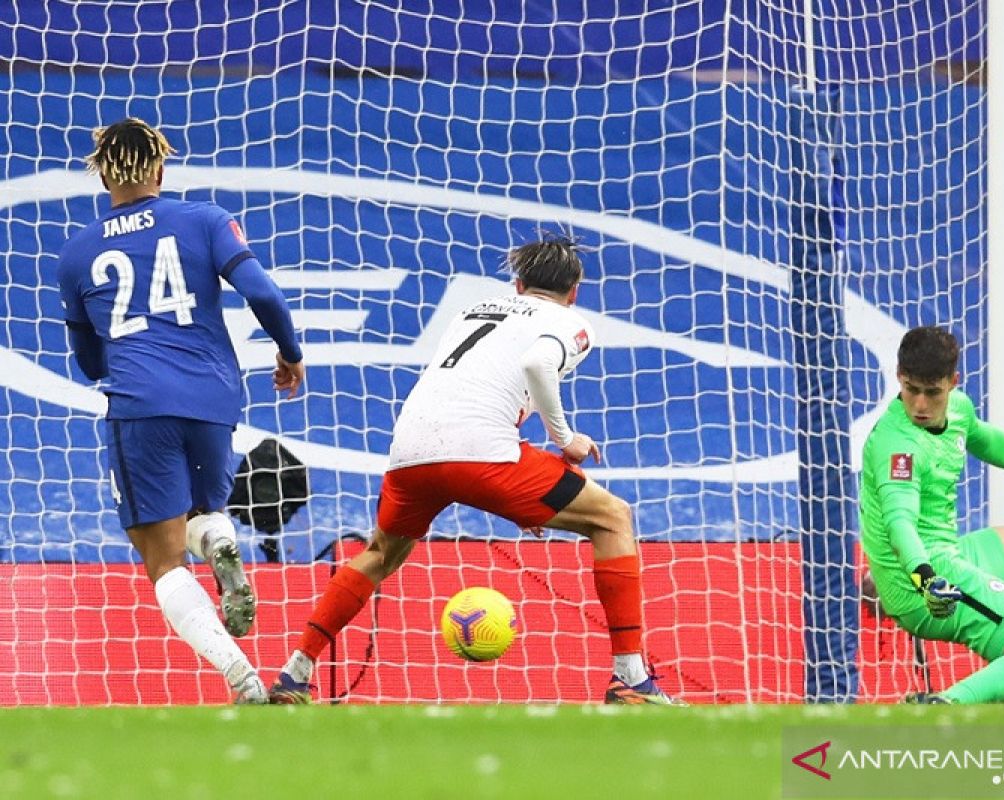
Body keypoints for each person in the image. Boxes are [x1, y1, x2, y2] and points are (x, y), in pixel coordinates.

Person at [268, 235, 681, 705]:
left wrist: (534, 488)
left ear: (519, 284)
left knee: (379, 554)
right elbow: (536, 363)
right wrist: (566, 441)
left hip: (410, 448)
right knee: (612, 518)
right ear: (575, 290)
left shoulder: (475, 309)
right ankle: (630, 678)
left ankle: (294, 674)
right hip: (482, 451)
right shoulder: (570, 322)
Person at [56, 117, 306, 704]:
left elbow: (90, 363)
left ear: (102, 176)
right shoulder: (206, 221)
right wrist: (290, 354)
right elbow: (264, 293)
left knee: (161, 557)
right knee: (203, 511)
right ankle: (220, 544)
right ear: (161, 170)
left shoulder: (77, 254)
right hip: (214, 396)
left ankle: (240, 675)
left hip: (141, 402)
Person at [859, 326, 1004, 704]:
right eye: (910, 389)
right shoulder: (897, 446)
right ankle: (943, 706)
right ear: (899, 377)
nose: (919, 404)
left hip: (948, 554)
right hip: (924, 584)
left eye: (932, 392)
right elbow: (899, 523)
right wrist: (925, 580)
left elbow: (981, 437)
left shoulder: (959, 408)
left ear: (953, 383)